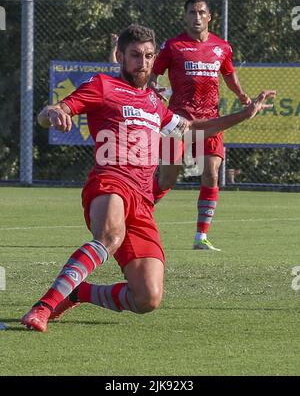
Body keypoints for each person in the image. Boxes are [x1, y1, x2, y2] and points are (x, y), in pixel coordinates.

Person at [21, 24, 275, 332]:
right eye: (135, 56)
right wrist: (53, 113)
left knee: (147, 297)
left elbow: (193, 130)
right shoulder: (102, 85)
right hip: (110, 180)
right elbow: (53, 110)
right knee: (109, 238)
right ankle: (43, 307)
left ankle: (79, 292)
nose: (142, 63)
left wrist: (244, 115)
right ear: (120, 56)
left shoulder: (156, 104)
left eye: (148, 56)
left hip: (142, 200)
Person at [149, 0, 252, 251]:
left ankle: (201, 237)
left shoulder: (222, 47)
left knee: (211, 172)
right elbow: (153, 75)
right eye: (191, 12)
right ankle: (133, 214)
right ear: (184, 16)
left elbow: (229, 75)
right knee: (167, 180)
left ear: (209, 17)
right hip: (179, 121)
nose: (196, 17)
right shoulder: (173, 46)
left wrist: (241, 95)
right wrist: (154, 88)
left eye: (201, 12)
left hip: (210, 122)